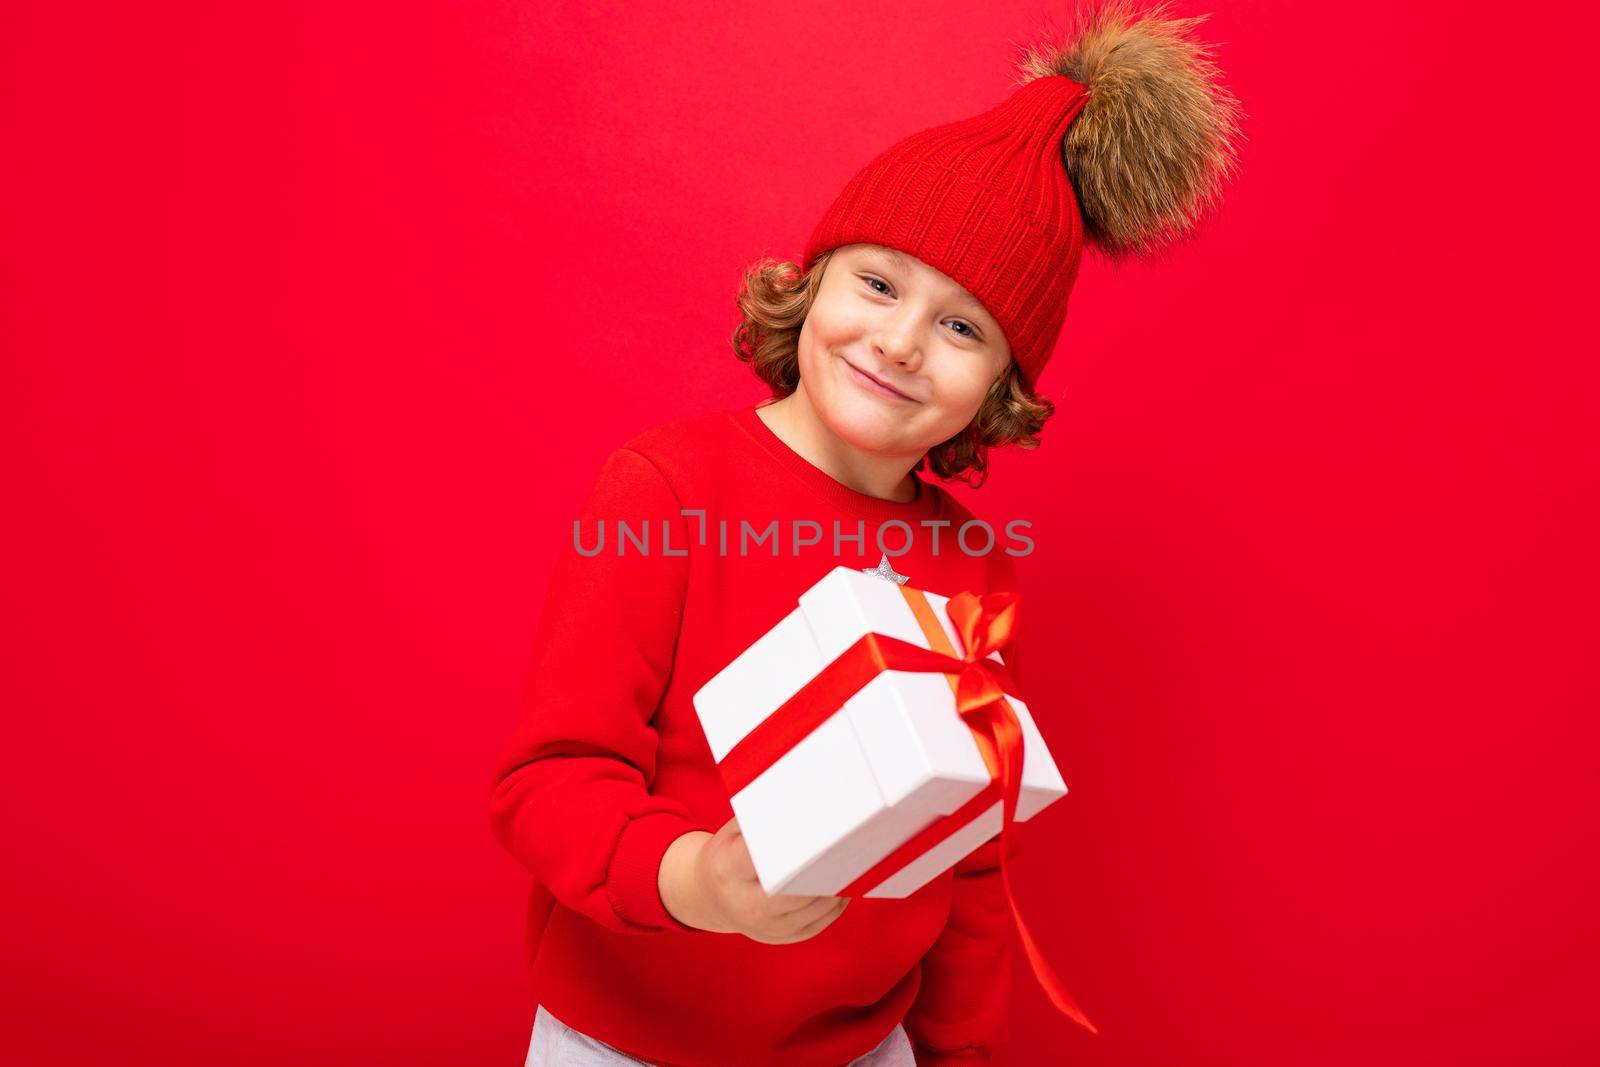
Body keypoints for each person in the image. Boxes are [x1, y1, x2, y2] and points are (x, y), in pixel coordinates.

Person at [489, 3, 1242, 1064]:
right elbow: (550, 779)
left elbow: (970, 862)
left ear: (1000, 385)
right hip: (622, 1037)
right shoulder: (662, 489)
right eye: (879, 283)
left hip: (859, 1044)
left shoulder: (974, 569)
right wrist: (697, 876)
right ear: (814, 280)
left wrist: (958, 1050)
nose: (898, 341)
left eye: (962, 325)